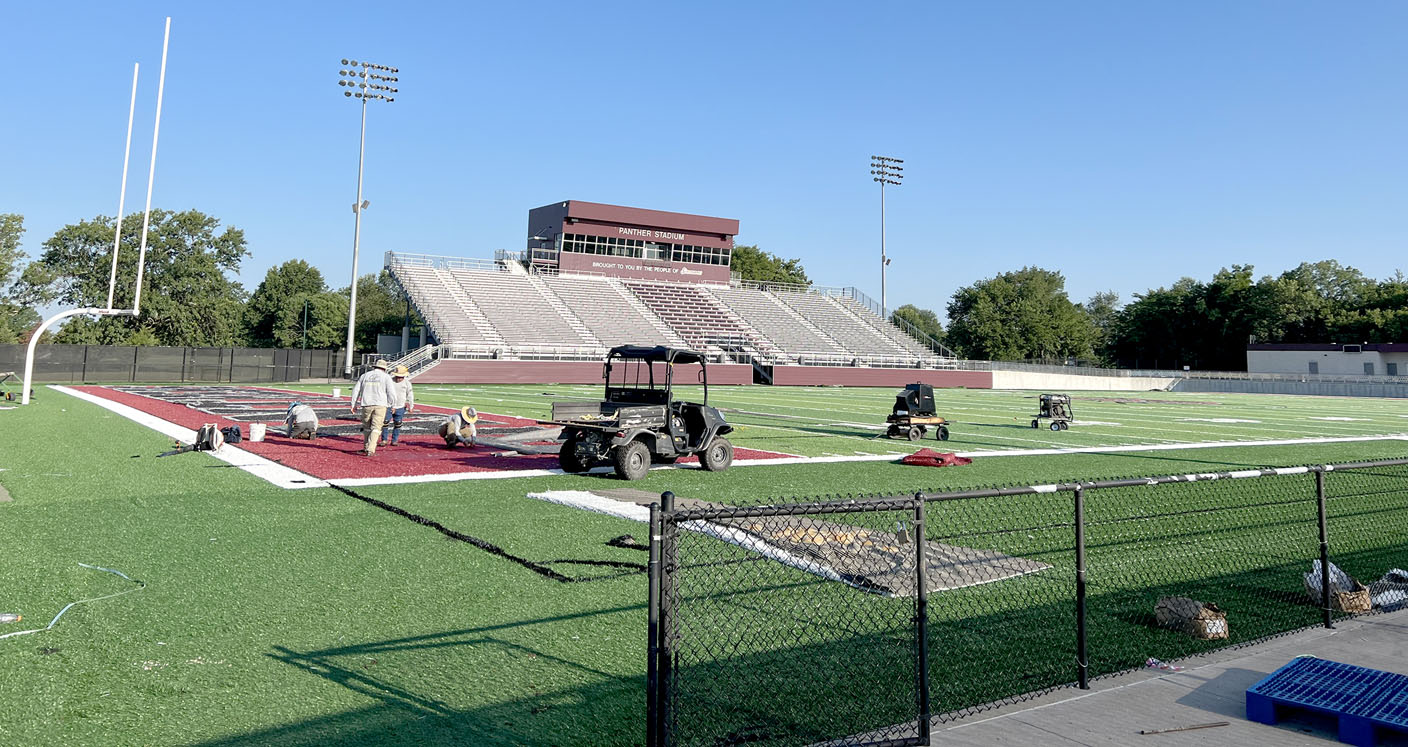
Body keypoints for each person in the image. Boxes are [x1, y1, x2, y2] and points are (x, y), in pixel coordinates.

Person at [350, 359, 395, 456]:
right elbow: (391, 393)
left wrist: (353, 404)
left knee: (367, 427)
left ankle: (366, 447)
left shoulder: (364, 376)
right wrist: (392, 404)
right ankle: (371, 449)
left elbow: (356, 390)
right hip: (380, 404)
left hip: (366, 404)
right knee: (376, 428)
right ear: (384, 368)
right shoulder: (386, 377)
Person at [381, 365, 415, 447]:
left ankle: (394, 440)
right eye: (398, 377)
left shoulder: (407, 383)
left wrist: (411, 406)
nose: (399, 379)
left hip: (400, 406)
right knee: (385, 422)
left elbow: (410, 395)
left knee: (398, 423)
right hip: (389, 405)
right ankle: (384, 439)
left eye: (401, 377)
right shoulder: (390, 381)